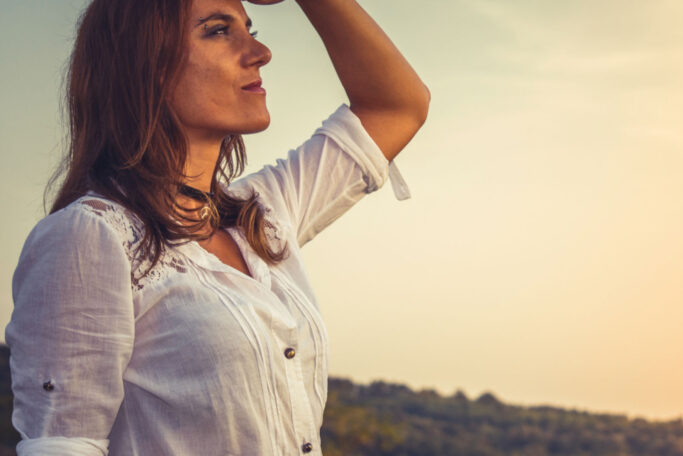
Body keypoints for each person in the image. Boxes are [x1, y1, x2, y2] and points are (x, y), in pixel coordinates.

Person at [4, 0, 429, 454]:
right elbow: (65, 444)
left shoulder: (263, 214)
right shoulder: (90, 237)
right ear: (144, 65)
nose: (260, 52)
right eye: (219, 31)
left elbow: (398, 106)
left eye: (250, 28)